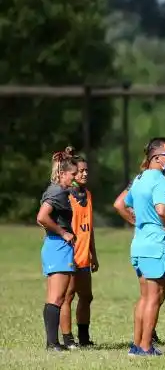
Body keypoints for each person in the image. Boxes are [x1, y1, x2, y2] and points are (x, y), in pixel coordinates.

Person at [124, 137, 165, 356]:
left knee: (145, 297)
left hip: (139, 243)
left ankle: (137, 346)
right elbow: (163, 210)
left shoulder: (139, 178)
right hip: (157, 245)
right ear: (156, 158)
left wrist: (141, 221)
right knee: (155, 298)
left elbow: (125, 204)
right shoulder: (161, 181)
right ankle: (146, 346)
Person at [37, 148, 78, 351]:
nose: (75, 177)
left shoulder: (57, 190)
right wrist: (64, 233)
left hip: (54, 245)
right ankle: (52, 343)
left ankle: (52, 342)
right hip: (58, 245)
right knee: (57, 297)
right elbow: (42, 217)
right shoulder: (57, 191)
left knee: (56, 296)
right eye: (72, 174)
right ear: (62, 174)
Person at [60, 154, 98, 349]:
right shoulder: (65, 195)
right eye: (80, 171)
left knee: (87, 296)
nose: (84, 174)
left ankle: (84, 337)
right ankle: (68, 339)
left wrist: (94, 254)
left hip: (84, 255)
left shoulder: (88, 195)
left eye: (86, 170)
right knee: (67, 296)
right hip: (69, 254)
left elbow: (89, 228)